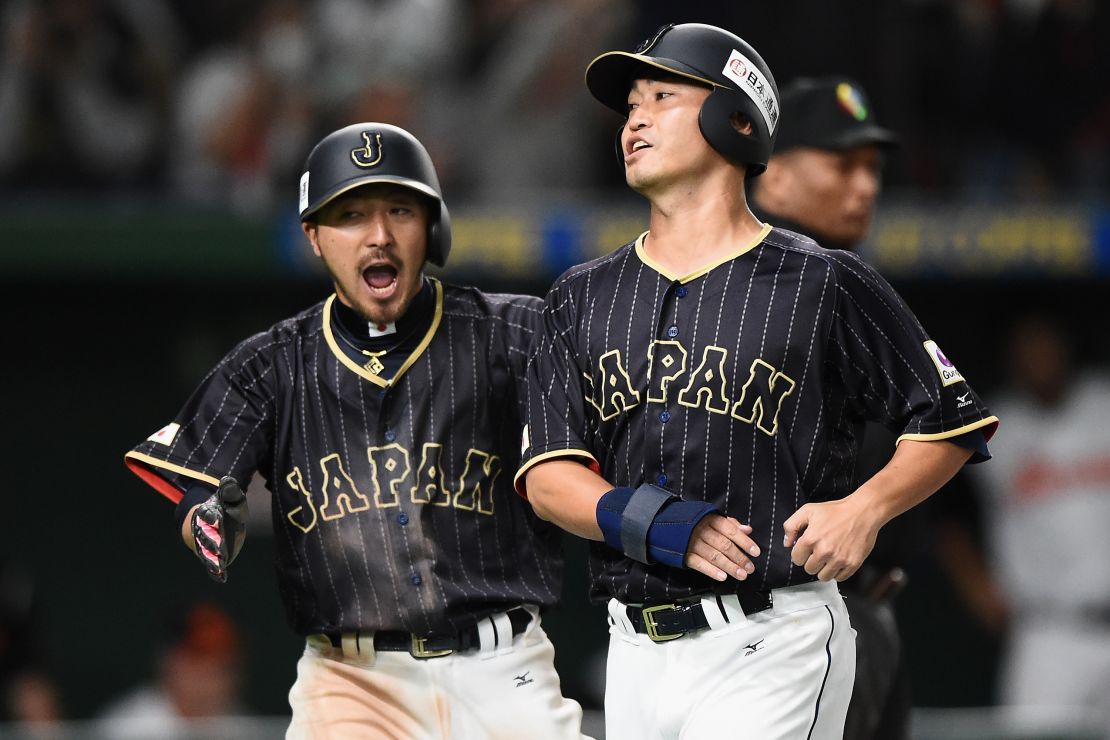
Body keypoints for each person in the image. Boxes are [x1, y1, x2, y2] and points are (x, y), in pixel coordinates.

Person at [515, 22, 998, 740]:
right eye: (631, 104)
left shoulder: (823, 278)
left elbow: (951, 418)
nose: (635, 117)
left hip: (773, 635)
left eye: (662, 95)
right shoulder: (582, 294)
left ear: (735, 120)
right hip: (634, 651)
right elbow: (548, 473)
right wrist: (650, 520)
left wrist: (864, 509)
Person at [124, 122, 588, 739]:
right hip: (351, 682)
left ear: (432, 227)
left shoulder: (513, 335)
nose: (379, 235)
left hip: (503, 668)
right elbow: (199, 492)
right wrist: (208, 518)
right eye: (351, 215)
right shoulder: (271, 364)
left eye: (400, 210)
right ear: (313, 236)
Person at [749, 76, 911, 740]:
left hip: (861, 610)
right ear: (774, 177)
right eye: (842, 164)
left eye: (872, 168)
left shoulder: (846, 276)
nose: (865, 185)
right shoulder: (763, 288)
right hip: (785, 620)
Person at [949, 312, 1110, 728]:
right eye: (1029, 349)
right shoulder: (992, 425)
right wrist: (978, 587)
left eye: (1047, 346)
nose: (1041, 358)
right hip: (1047, 629)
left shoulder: (1103, 401)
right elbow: (947, 516)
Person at [97, 602, 246, 738]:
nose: (211, 671)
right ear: (169, 660)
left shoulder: (245, 727)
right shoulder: (125, 727)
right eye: (198, 658)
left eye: (223, 662)